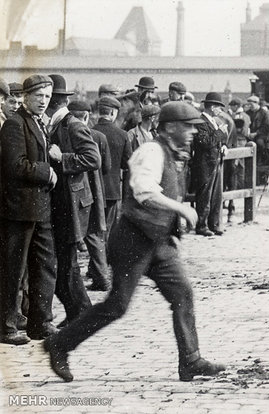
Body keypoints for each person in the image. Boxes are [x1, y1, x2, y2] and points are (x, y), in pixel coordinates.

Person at [43, 101, 226, 383]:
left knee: (183, 294)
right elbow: (144, 193)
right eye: (187, 127)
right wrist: (182, 209)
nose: (192, 132)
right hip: (132, 241)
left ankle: (191, 360)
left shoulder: (173, 152)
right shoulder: (151, 151)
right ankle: (59, 344)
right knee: (117, 305)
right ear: (169, 127)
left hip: (159, 242)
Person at [0, 75, 58, 345]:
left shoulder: (39, 123)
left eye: (47, 97)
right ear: (25, 97)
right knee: (15, 269)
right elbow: (15, 166)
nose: (43, 102)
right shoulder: (14, 124)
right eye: (38, 96)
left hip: (40, 208)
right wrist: (47, 172)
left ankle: (41, 323)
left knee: (45, 266)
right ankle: (7, 325)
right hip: (19, 209)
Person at [46, 74, 101, 324]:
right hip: (63, 201)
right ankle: (78, 311)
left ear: (53, 101)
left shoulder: (73, 125)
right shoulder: (56, 125)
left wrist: (62, 158)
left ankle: (80, 312)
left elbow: (93, 159)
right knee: (65, 260)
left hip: (73, 203)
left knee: (67, 261)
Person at [68, 101, 111, 292]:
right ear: (86, 116)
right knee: (95, 236)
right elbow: (106, 166)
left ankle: (97, 277)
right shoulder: (98, 136)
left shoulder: (68, 133)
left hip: (78, 192)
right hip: (96, 191)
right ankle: (102, 276)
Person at [92, 96, 132, 237]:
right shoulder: (122, 135)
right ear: (113, 113)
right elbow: (127, 163)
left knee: (94, 228)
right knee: (109, 229)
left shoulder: (89, 132)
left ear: (99, 112)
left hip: (92, 189)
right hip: (112, 189)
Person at [190, 92, 228, 236]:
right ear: (212, 107)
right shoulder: (200, 122)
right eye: (219, 107)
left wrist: (223, 145)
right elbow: (204, 142)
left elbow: (216, 139)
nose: (220, 110)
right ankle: (201, 225)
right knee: (205, 195)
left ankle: (214, 224)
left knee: (216, 195)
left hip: (215, 161)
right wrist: (219, 133)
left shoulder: (213, 121)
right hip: (204, 164)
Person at [246, 95, 269, 165]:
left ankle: (263, 159)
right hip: (250, 134)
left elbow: (266, 126)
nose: (250, 106)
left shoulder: (264, 113)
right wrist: (248, 133)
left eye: (251, 104)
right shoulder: (247, 113)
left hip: (261, 134)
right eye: (248, 105)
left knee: (259, 143)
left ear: (257, 103)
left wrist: (256, 133)